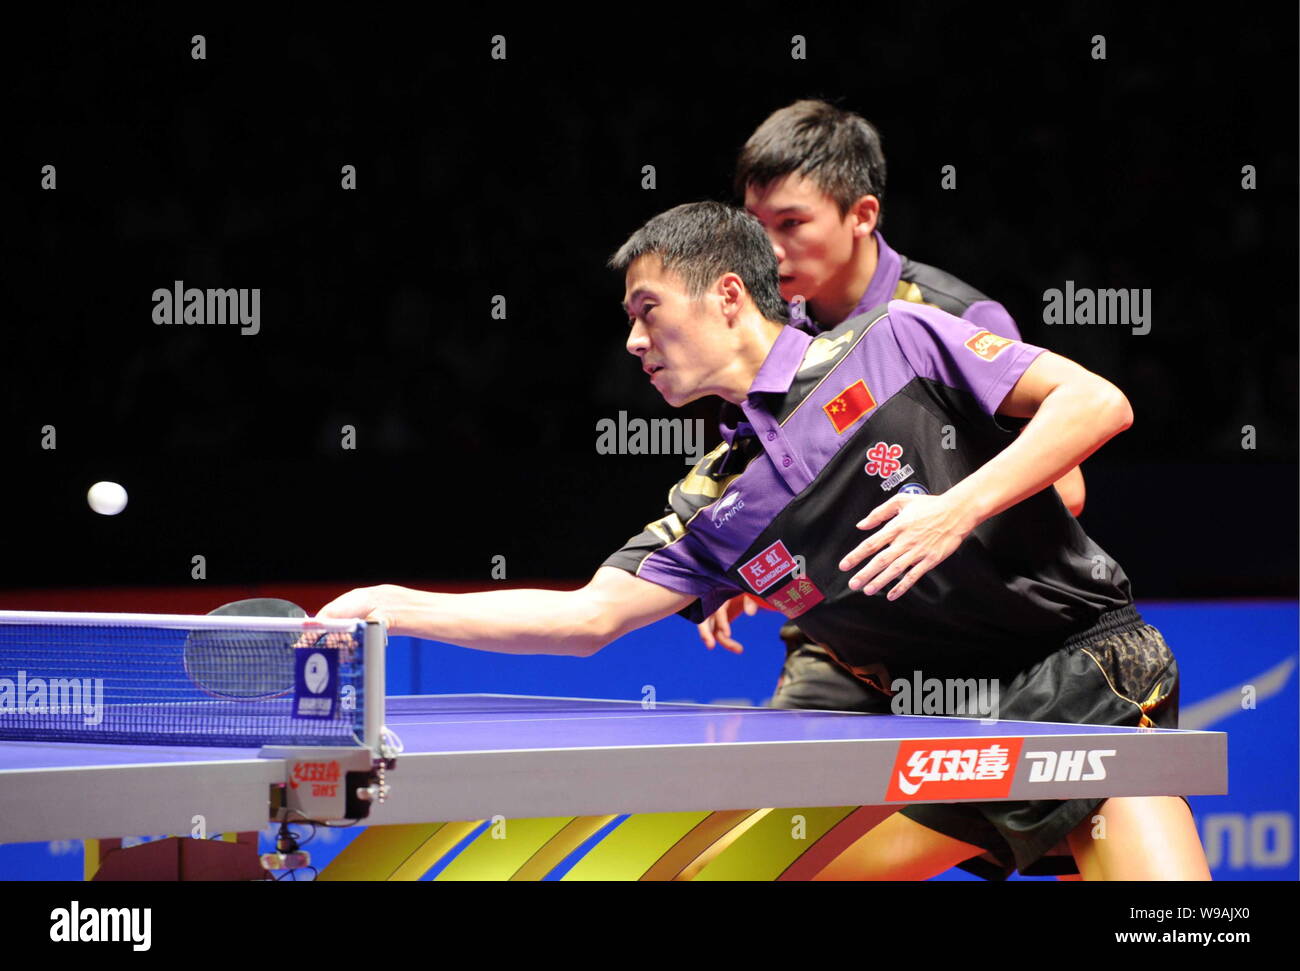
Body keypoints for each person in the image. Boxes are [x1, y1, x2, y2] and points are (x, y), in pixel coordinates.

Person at [317, 201, 1210, 880]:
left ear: (729, 294)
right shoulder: (715, 499)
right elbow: (587, 617)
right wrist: (391, 604)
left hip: (1079, 677)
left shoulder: (897, 341)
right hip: (948, 728)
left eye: (646, 309)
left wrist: (956, 506)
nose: (633, 340)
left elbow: (1098, 401)